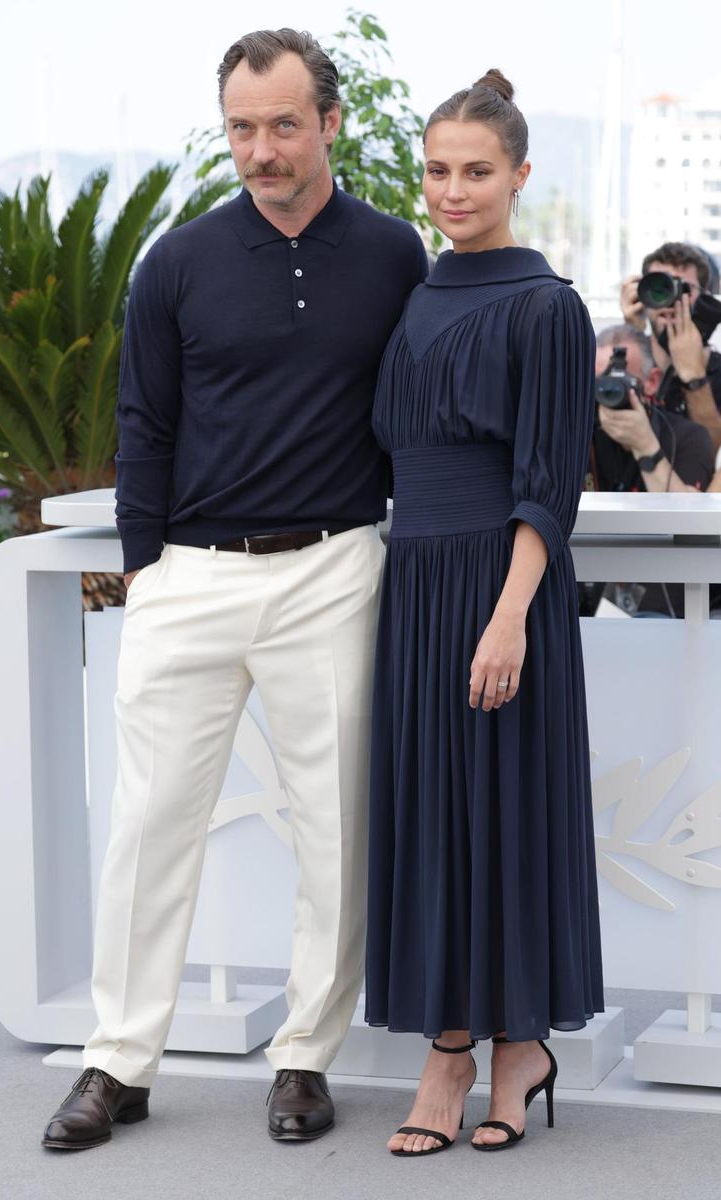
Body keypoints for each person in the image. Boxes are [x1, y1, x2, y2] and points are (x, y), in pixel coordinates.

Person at [42, 27, 427, 1151]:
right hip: (192, 578)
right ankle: (119, 1060)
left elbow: (417, 408)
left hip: (334, 569)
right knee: (150, 825)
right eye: (242, 128)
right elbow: (144, 424)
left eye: (282, 125)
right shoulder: (177, 261)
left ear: (331, 124)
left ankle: (305, 1056)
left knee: (334, 829)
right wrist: (148, 571)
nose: (260, 150)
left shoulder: (395, 254)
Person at [364, 69, 604, 1156]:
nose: (452, 191)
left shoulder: (548, 304)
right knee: (431, 818)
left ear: (517, 176)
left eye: (475, 171)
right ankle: (449, 1046)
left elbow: (549, 482)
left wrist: (509, 617)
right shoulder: (418, 291)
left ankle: (516, 1048)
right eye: (437, 170)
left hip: (502, 589)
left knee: (503, 817)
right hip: (413, 582)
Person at [582, 324, 714, 618]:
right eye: (599, 381)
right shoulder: (578, 436)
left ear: (651, 381)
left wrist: (645, 446)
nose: (608, 390)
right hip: (588, 591)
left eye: (619, 379)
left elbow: (690, 525)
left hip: (663, 601)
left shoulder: (686, 437)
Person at [620, 242, 721, 451]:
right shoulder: (626, 355)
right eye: (659, 288)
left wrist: (694, 377)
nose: (669, 301)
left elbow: (709, 455)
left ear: (705, 298)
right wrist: (631, 336)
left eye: (683, 289)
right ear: (642, 294)